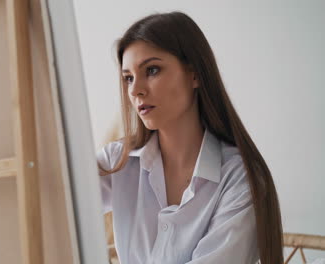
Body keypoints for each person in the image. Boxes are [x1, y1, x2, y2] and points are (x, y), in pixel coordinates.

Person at [97, 11, 284, 264]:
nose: (135, 90)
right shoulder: (117, 161)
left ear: (194, 74)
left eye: (152, 70)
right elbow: (50, 199)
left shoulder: (240, 178)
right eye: (128, 77)